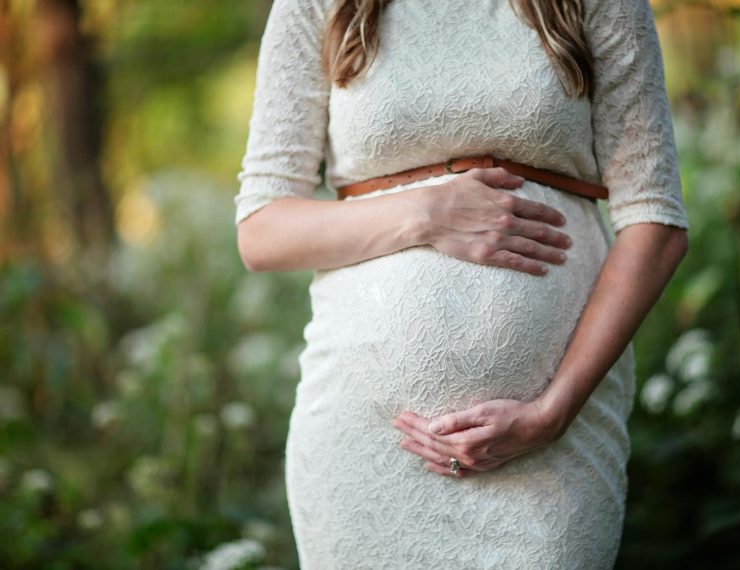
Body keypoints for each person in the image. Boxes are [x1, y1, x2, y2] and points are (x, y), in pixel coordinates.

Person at [233, 0, 689, 567]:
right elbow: (262, 230)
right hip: (362, 443)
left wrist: (552, 413)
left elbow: (656, 221)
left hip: (553, 446)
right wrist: (425, 213)